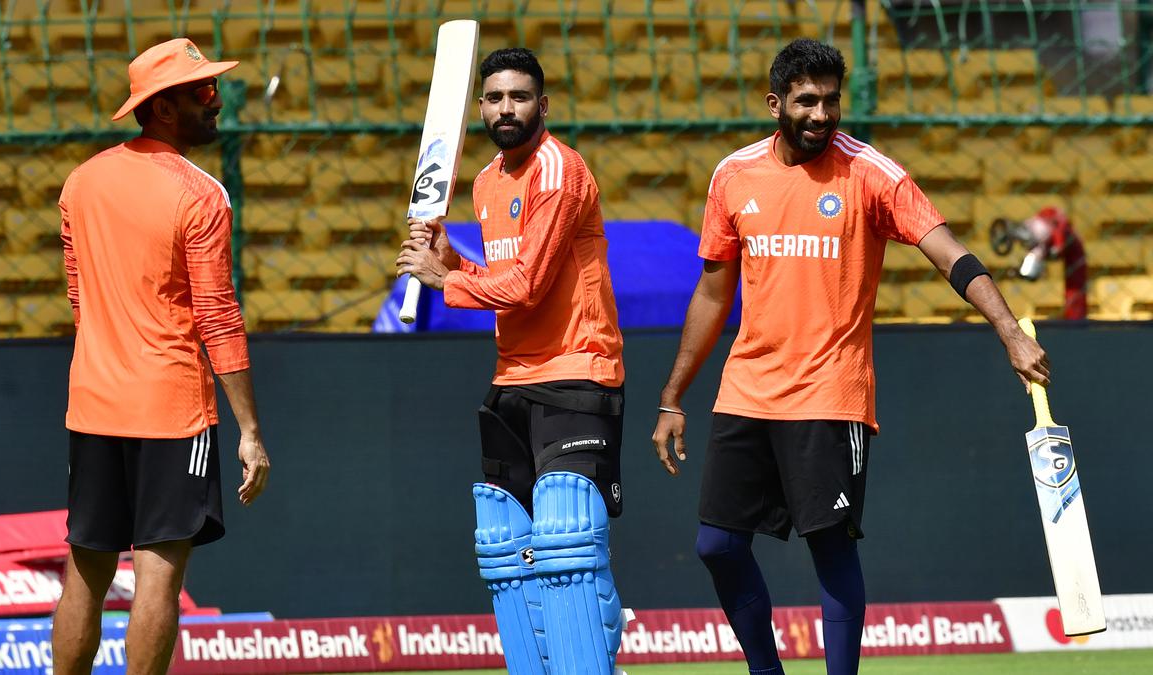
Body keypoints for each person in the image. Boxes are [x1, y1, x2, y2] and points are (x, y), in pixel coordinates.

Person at [650, 39, 1049, 675]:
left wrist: (1008, 329)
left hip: (830, 395)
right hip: (747, 390)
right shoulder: (734, 175)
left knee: (830, 551)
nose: (820, 114)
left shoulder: (872, 173)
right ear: (775, 104)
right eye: (806, 101)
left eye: (831, 101)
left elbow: (948, 252)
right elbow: (712, 291)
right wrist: (673, 396)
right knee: (717, 545)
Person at [396, 47, 627, 675]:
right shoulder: (487, 182)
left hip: (576, 371)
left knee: (567, 543)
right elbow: (499, 278)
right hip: (513, 376)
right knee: (507, 550)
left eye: (519, 97)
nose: (506, 108)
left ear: (542, 106)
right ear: (480, 108)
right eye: (495, 98)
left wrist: (442, 280)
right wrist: (454, 263)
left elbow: (528, 284)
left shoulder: (559, 171)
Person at [52, 38, 270, 675]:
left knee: (85, 572)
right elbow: (218, 317)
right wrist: (250, 430)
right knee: (157, 579)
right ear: (164, 108)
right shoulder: (201, 193)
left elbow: (78, 295)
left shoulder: (81, 181)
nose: (217, 102)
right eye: (203, 92)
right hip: (171, 412)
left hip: (91, 405)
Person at [1017, 207, 1087, 320]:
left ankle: (1074, 315)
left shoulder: (1055, 227)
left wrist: (1055, 248)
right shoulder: (1048, 223)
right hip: (1046, 246)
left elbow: (1057, 244)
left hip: (1063, 253)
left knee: (1075, 291)